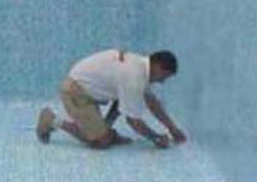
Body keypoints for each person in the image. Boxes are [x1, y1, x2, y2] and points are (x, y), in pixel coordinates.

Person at [36, 49, 186, 149]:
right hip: (75, 92)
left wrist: (172, 128)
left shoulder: (141, 64)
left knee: (126, 97)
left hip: (89, 88)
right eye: (164, 76)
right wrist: (156, 138)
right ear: (158, 67)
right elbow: (133, 122)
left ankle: (104, 130)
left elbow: (152, 103)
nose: (162, 82)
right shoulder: (133, 77)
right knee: (101, 142)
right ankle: (51, 120)